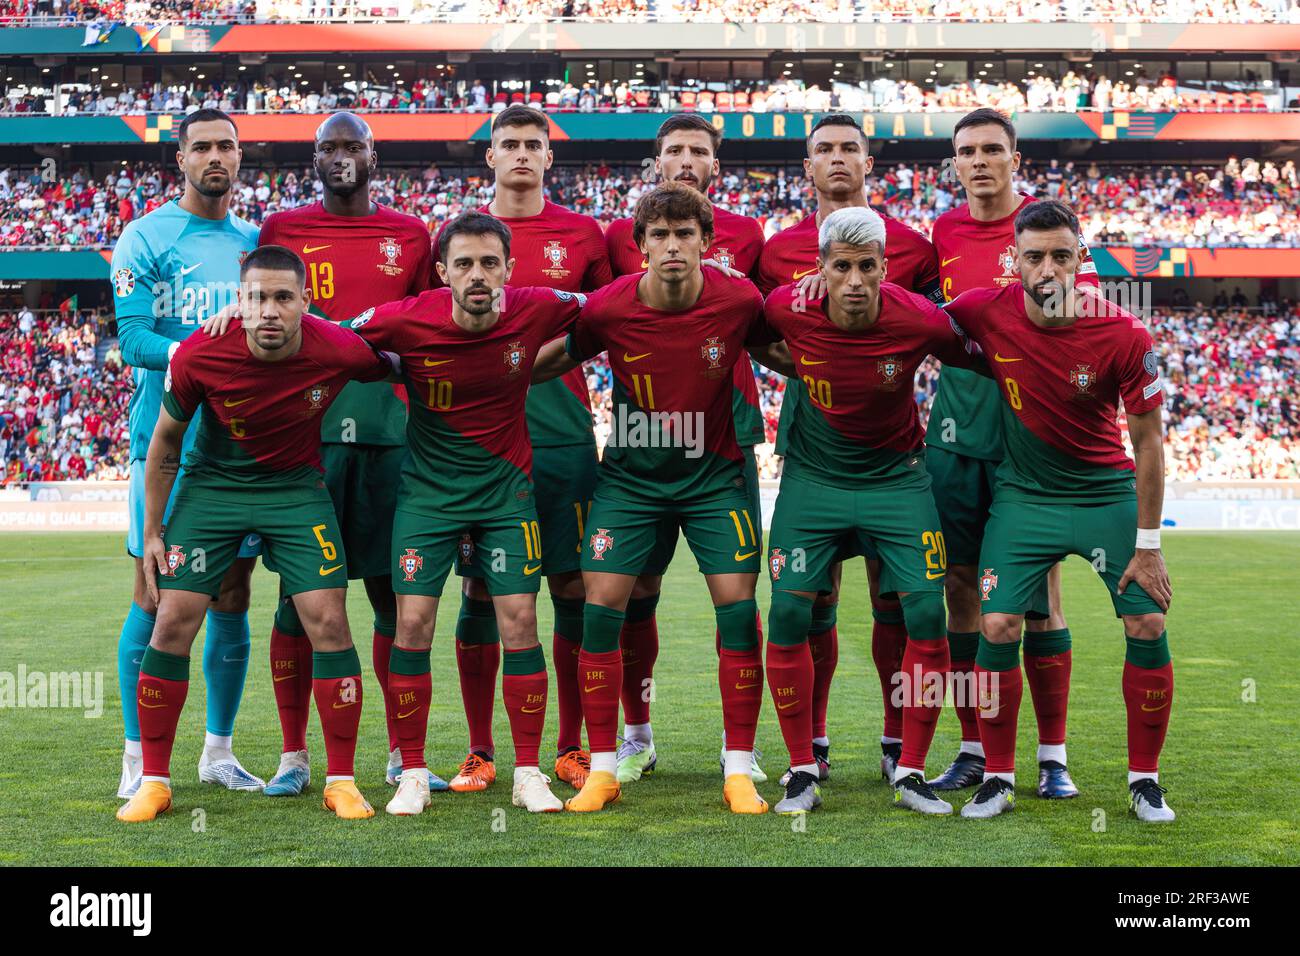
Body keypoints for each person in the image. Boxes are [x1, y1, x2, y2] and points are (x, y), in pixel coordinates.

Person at [116, 244, 397, 823]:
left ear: (306, 302)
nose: (268, 311)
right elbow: (164, 441)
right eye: (256, 298)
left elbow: (399, 361)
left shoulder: (337, 347)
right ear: (238, 302)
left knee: (329, 619)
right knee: (172, 621)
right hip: (212, 489)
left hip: (296, 490)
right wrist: (152, 532)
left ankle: (341, 780)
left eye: (282, 298)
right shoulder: (200, 352)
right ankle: (155, 781)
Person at [532, 183, 770, 815]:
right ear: (639, 247)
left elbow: (789, 349)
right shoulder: (608, 308)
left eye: (684, 234)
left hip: (714, 478)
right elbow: (552, 359)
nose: (672, 245)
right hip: (631, 483)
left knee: (739, 612)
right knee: (600, 607)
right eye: (659, 235)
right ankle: (604, 768)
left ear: (706, 243)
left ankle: (740, 767)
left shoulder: (740, 300)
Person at [346, 211, 587, 816]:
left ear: (509, 267)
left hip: (507, 496)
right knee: (412, 628)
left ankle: (528, 772)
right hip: (427, 498)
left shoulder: (537, 306)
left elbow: (610, 306)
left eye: (488, 263)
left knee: (520, 625)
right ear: (441, 272)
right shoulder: (406, 316)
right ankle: (415, 773)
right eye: (463, 264)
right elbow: (336, 339)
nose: (477, 275)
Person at [944, 200, 1174, 822]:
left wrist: (1148, 544)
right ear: (1012, 262)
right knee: (996, 628)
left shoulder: (1125, 332)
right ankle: (997, 777)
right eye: (1034, 256)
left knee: (1147, 624)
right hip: (1023, 499)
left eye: (1061, 256)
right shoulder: (981, 311)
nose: (1048, 270)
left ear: (1082, 260)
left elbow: (1149, 442)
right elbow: (905, 322)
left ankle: (1145, 782)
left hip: (1104, 495)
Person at [254, 112, 442, 796]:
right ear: (313, 156)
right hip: (307, 443)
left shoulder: (411, 235)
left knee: (395, 598)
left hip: (394, 443)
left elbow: (428, 331)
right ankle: (294, 757)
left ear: (373, 153)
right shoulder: (281, 232)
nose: (340, 156)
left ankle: (400, 754)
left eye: (351, 145)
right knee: (295, 603)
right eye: (328, 145)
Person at [756, 113, 942, 786]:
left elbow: (936, 332)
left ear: (870, 163)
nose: (837, 159)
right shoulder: (777, 250)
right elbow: (752, 326)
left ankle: (899, 745)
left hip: (892, 454)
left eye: (849, 149)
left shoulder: (917, 250)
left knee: (899, 602)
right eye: (823, 150)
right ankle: (816, 743)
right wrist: (809, 363)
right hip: (814, 451)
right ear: (807, 168)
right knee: (810, 601)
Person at [431, 106, 612, 794]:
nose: (521, 154)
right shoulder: (458, 238)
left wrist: (534, 364)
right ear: (490, 157)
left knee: (571, 586)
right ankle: (480, 750)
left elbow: (604, 322)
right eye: (508, 144)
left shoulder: (583, 234)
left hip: (563, 436)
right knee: (482, 588)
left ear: (549, 157)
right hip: (480, 444)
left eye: (534, 144)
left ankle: (570, 747)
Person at [925, 108, 1098, 798]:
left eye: (993, 149)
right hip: (956, 438)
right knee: (961, 589)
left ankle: (1052, 757)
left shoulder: (1047, 231)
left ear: (1015, 159)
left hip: (1031, 443)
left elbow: (1082, 320)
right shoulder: (940, 232)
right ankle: (974, 748)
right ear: (955, 162)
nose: (980, 161)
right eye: (967, 151)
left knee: (1039, 597)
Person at [602, 112, 768, 784]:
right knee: (635, 586)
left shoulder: (750, 236)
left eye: (699, 151)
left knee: (737, 587)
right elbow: (601, 316)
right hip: (643, 435)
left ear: (715, 167)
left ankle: (742, 748)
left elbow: (768, 320)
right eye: (674, 151)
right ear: (657, 162)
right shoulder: (619, 236)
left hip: (725, 429)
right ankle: (636, 735)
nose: (686, 160)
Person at [109, 108, 263, 802]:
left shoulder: (255, 245)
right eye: (201, 146)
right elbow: (135, 339)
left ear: (240, 156)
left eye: (226, 145)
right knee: (155, 597)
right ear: (180, 160)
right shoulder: (144, 237)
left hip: (241, 452)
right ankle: (138, 755)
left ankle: (218, 752)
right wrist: (208, 356)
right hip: (167, 449)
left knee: (234, 594)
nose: (215, 157)